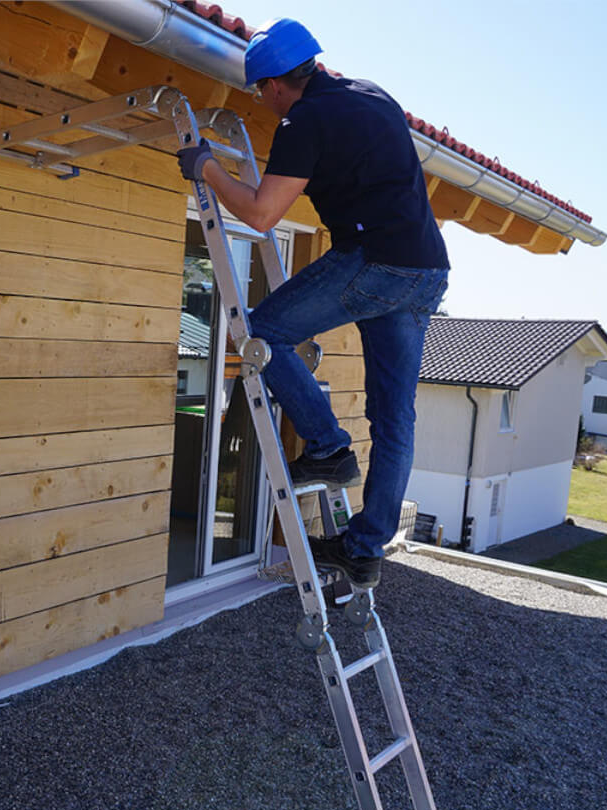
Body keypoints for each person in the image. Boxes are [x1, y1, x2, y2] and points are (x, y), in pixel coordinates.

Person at [175, 18, 449, 588]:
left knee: (261, 333)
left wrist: (206, 168)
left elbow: (258, 214)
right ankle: (365, 548)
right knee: (395, 420)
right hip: (425, 271)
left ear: (275, 84)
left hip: (376, 260)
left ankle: (327, 447)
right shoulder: (371, 95)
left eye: (260, 91)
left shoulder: (306, 120)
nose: (263, 102)